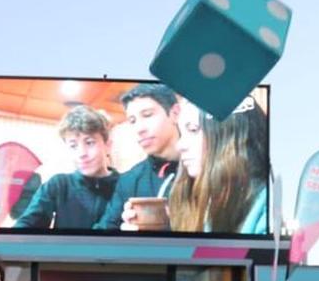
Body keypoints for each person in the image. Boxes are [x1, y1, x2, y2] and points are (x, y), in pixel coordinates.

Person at [168, 95, 269, 234]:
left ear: (229, 133)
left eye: (193, 130)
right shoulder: (202, 199)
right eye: (181, 133)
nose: (180, 146)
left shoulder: (267, 209)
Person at [13, 106, 118, 230]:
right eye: (73, 146)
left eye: (89, 142)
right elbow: (28, 223)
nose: (82, 153)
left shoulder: (126, 185)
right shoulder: (58, 184)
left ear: (108, 145)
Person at [93, 83, 180, 230]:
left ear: (174, 113)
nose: (139, 128)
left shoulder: (205, 167)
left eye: (147, 115)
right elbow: (103, 231)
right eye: (132, 121)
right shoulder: (129, 180)